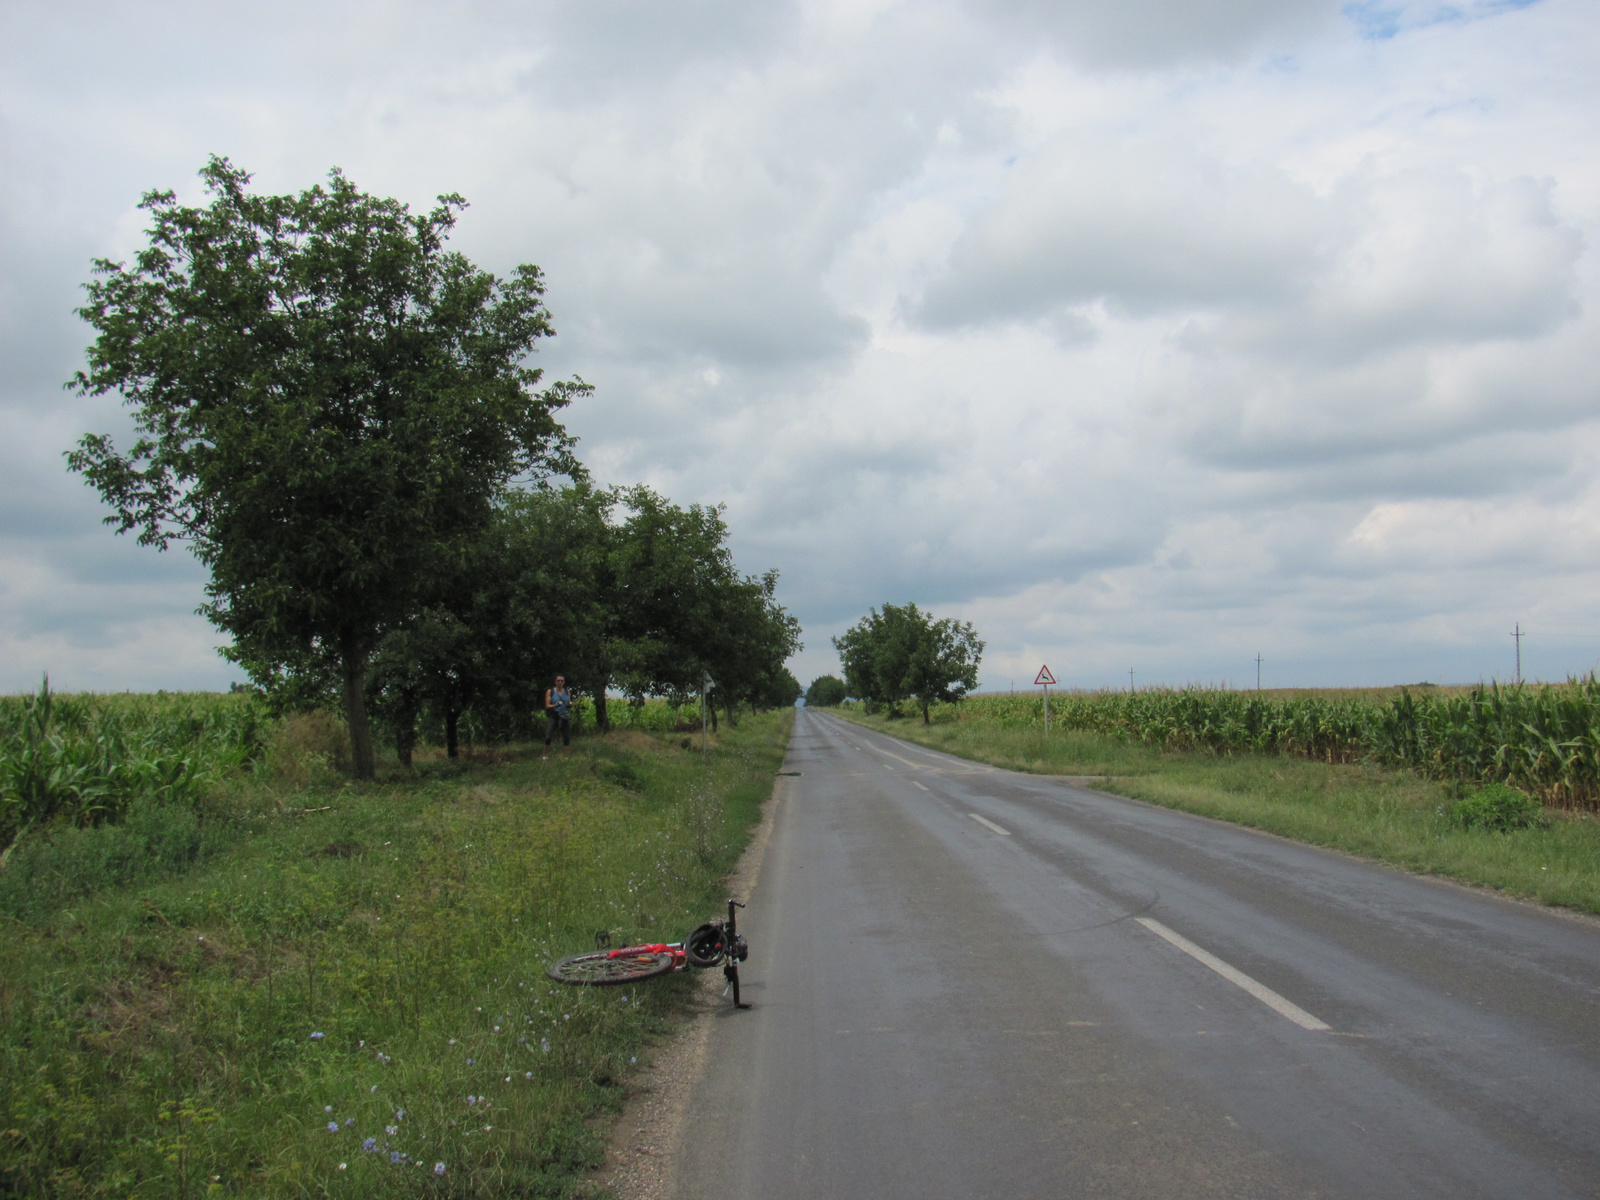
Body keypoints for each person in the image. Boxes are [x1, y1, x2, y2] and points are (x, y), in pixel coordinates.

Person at [543, 674, 572, 759]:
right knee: (548, 737)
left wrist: (570, 705)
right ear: (555, 682)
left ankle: (566, 757)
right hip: (554, 715)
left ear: (564, 682)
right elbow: (547, 705)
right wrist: (555, 705)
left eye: (561, 681)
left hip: (564, 716)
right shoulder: (550, 691)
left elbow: (568, 702)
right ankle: (545, 756)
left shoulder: (567, 691)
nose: (560, 682)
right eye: (558, 681)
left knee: (566, 738)